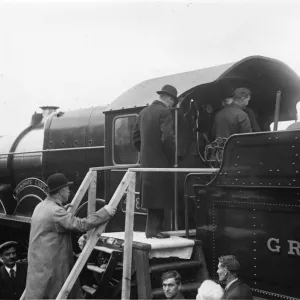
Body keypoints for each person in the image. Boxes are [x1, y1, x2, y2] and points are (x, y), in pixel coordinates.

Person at [25, 172, 117, 299]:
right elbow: (81, 225)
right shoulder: (55, 212)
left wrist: (62, 210)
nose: (69, 192)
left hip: (39, 268)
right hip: (51, 269)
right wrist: (105, 213)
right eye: (67, 189)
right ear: (61, 191)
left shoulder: (40, 206)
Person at [133, 84, 177, 239]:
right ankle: (154, 231)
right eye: (173, 102)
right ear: (169, 99)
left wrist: (146, 152)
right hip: (161, 162)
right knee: (160, 196)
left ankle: (152, 230)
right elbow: (167, 138)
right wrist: (172, 158)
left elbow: (136, 138)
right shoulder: (165, 112)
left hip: (146, 163)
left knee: (152, 197)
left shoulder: (143, 112)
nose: (172, 106)